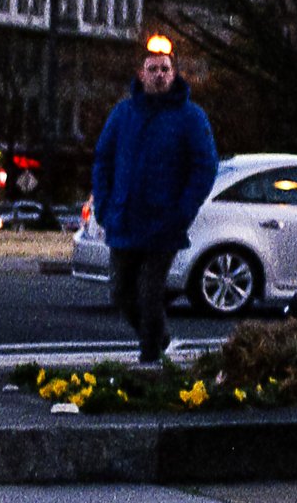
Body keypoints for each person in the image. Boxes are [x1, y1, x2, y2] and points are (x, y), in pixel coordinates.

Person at [91, 38, 219, 362]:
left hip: (164, 225)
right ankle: (159, 336)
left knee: (150, 293)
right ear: (141, 73)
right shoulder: (123, 114)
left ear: (174, 74)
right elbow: (103, 160)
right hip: (124, 221)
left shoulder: (191, 117)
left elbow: (205, 167)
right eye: (153, 69)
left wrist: (183, 211)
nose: (159, 74)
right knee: (121, 293)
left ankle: (150, 359)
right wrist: (105, 207)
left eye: (165, 69)